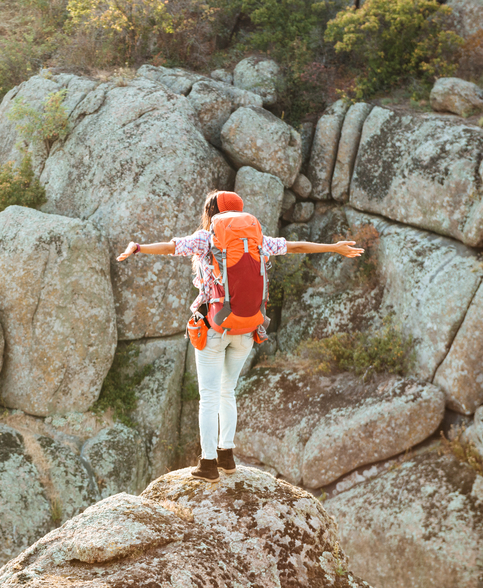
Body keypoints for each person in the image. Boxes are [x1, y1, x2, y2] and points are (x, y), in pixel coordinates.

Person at [116, 190, 363, 482]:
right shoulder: (256, 239)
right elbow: (295, 247)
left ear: (212, 212)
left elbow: (172, 247)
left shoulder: (207, 238)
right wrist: (334, 248)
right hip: (247, 328)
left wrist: (139, 247)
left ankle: (208, 464)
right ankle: (227, 456)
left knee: (208, 396)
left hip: (214, 326)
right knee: (227, 392)